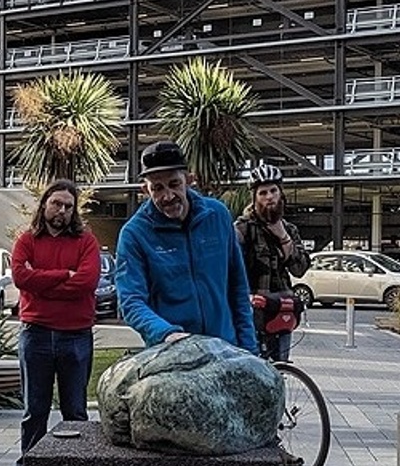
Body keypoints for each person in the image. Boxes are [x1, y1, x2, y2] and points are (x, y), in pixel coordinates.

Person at [5, 180, 100, 466]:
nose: (61, 210)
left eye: (68, 206)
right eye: (56, 203)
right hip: (37, 335)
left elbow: (87, 282)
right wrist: (64, 276)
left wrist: (42, 281)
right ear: (44, 204)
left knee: (75, 410)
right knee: (35, 409)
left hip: (76, 335)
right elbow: (21, 277)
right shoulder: (27, 241)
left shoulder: (86, 241)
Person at [115, 141, 256, 351]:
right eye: (157, 188)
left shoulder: (218, 215)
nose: (168, 196)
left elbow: (238, 288)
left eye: (174, 184)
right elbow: (131, 300)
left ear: (189, 180)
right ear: (145, 190)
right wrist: (165, 333)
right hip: (173, 354)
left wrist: (250, 349)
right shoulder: (134, 234)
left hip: (226, 349)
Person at [234, 163, 310, 362]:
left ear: (281, 193)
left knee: (280, 368)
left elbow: (299, 269)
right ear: (255, 197)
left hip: (282, 309)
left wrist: (283, 236)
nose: (269, 197)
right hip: (254, 313)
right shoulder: (243, 229)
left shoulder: (289, 229)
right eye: (263, 193)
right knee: (252, 368)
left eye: (274, 191)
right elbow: (231, 270)